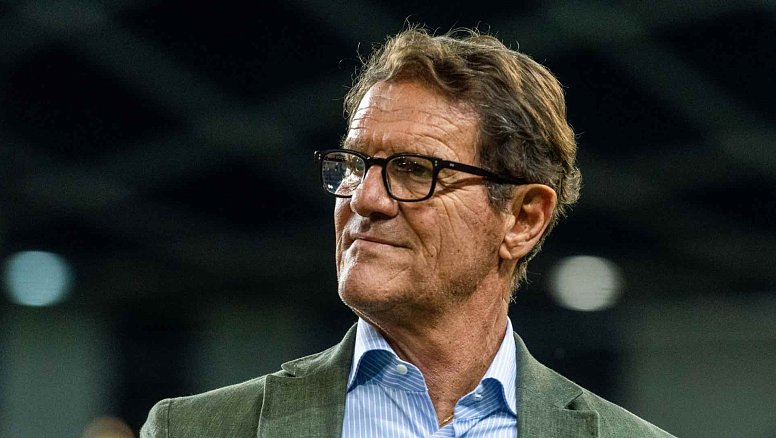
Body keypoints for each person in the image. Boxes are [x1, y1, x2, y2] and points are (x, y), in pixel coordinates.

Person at [141, 26, 674, 437]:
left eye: (416, 170)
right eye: (355, 165)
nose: (365, 199)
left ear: (523, 219)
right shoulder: (190, 429)